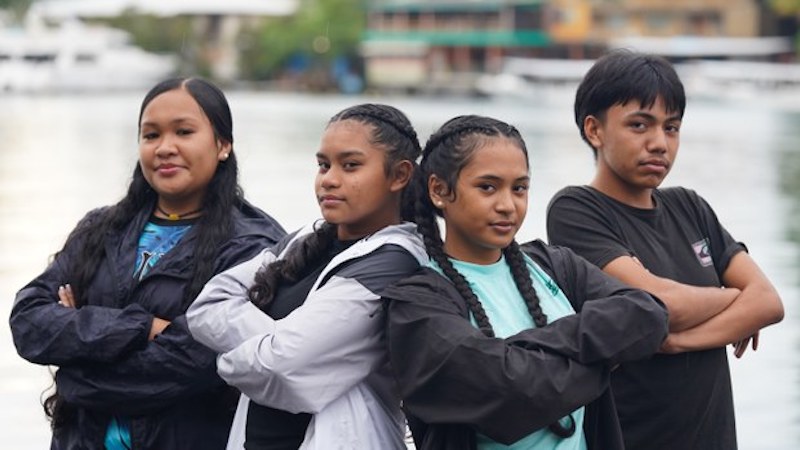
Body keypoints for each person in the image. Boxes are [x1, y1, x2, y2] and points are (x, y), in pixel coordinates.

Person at [9, 77, 286, 450]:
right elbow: (29, 322)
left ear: (223, 145)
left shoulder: (253, 246)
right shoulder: (101, 229)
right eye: (151, 135)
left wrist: (74, 372)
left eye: (184, 132)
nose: (164, 148)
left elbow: (196, 363)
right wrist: (142, 327)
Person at [381, 114, 669, 450]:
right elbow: (508, 392)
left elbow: (648, 315)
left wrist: (517, 350)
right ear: (440, 190)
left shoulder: (556, 266)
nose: (507, 205)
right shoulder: (417, 304)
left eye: (519, 188)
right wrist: (600, 361)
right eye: (487, 187)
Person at [546, 49, 785, 450]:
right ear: (594, 130)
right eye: (639, 125)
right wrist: (732, 299)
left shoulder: (689, 206)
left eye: (671, 128)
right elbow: (659, 304)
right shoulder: (576, 211)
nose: (659, 143)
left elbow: (769, 303)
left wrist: (677, 341)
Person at [186, 103, 427, 450]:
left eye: (351, 165)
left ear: (399, 175)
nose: (329, 179)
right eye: (323, 165)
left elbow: (279, 369)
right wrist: (277, 345)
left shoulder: (395, 261)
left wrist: (228, 359)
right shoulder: (303, 240)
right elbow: (207, 306)